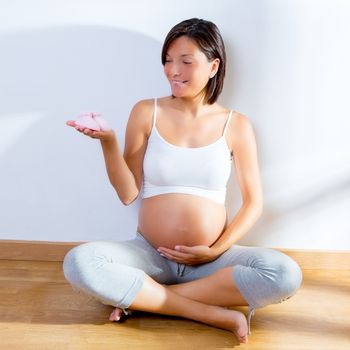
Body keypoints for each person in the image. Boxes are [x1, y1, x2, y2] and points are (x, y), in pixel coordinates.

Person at [63, 18, 302, 344]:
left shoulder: (237, 125)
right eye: (168, 60)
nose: (174, 70)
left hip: (213, 261)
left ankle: (147, 300)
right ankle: (206, 311)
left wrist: (214, 250)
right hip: (149, 256)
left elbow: (253, 203)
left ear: (213, 65)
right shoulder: (147, 112)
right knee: (80, 262)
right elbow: (127, 193)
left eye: (186, 62)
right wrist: (107, 142)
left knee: (285, 274)